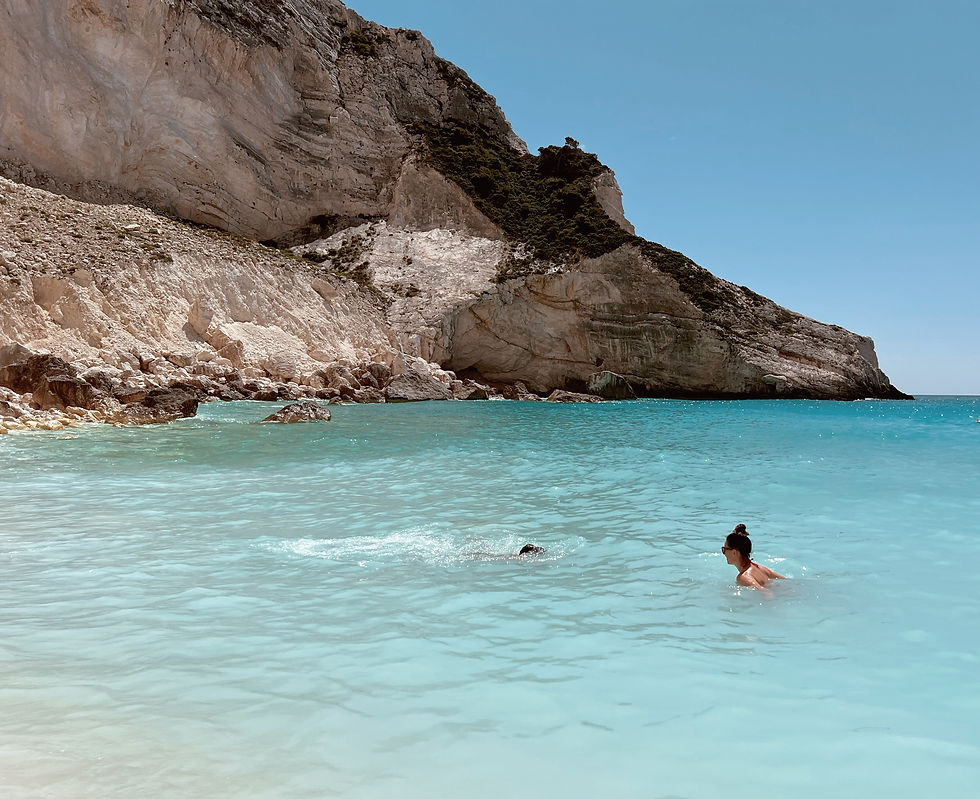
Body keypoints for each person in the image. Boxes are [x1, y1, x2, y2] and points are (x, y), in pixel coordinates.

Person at [722, 524, 786, 591]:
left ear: (734, 552)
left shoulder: (743, 577)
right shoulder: (760, 568)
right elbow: (785, 581)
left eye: (724, 549)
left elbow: (766, 593)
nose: (724, 553)